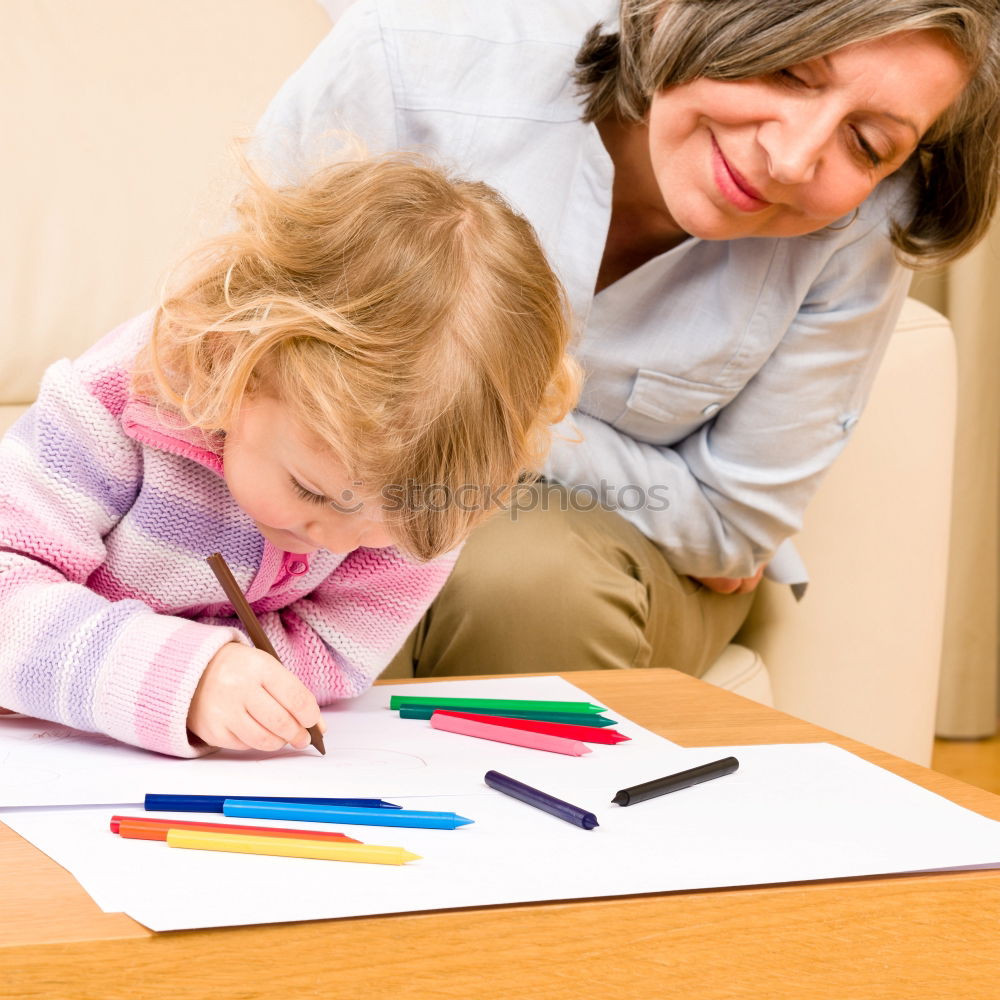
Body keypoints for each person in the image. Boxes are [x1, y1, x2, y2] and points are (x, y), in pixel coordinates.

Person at [253, 0, 1000, 680]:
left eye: (867, 143)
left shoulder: (863, 224)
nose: (795, 157)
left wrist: (451, 404)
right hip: (334, 484)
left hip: (600, 563)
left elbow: (730, 523)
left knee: (530, 581)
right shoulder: (418, 57)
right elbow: (246, 349)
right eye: (790, 71)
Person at [0, 151, 578, 756]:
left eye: (390, 525)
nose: (338, 541)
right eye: (314, 492)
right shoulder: (113, 399)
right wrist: (184, 679)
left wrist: (234, 685)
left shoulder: (429, 486)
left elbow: (336, 653)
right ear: (239, 362)